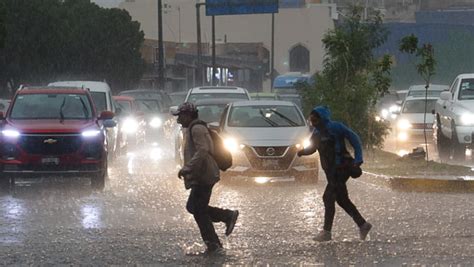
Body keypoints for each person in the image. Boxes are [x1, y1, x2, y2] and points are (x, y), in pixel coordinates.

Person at [297, 106, 372, 242]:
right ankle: (362, 224)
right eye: (311, 119)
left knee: (328, 197)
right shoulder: (317, 133)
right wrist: (301, 152)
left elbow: (354, 139)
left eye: (315, 119)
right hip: (330, 171)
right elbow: (312, 148)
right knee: (342, 200)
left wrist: (358, 158)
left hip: (342, 168)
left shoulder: (336, 127)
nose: (313, 122)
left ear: (322, 118)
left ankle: (326, 232)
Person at [173, 102, 239, 254]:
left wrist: (187, 168)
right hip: (201, 174)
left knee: (199, 210)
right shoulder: (194, 128)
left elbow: (203, 150)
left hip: (204, 175)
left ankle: (214, 242)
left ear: (188, 115)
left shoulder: (197, 128)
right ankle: (224, 221)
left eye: (180, 116)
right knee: (193, 207)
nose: (178, 120)